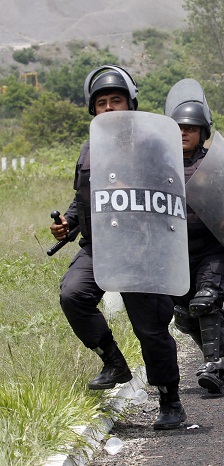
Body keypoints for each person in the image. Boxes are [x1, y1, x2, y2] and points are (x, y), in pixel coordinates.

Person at [49, 65, 185, 430]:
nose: (109, 108)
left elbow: (172, 191)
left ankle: (170, 399)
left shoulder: (154, 143)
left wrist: (135, 184)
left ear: (131, 104)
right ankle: (113, 361)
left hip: (142, 248)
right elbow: (83, 198)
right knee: (73, 294)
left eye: (116, 100)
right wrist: (68, 223)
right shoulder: (89, 149)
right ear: (93, 110)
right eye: (102, 103)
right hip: (100, 245)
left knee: (151, 329)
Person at [166, 84, 224, 394]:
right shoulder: (159, 163)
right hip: (172, 251)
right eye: (179, 127)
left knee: (206, 300)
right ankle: (222, 353)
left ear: (202, 131)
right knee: (182, 315)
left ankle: (214, 366)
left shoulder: (214, 162)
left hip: (207, 249)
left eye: (191, 128)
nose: (184, 133)